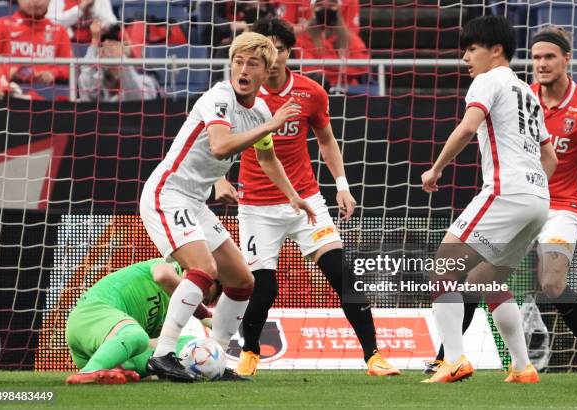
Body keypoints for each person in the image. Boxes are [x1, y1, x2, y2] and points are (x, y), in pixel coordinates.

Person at [213, 17, 399, 377]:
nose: (272, 57)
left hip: (306, 202)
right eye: (262, 51)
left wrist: (342, 186)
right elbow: (217, 142)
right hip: (256, 207)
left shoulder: (311, 92)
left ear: (286, 53)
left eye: (278, 50)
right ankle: (249, 353)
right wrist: (221, 179)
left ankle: (374, 356)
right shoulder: (237, 95)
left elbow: (327, 141)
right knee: (263, 289)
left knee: (342, 274)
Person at [139, 31, 317, 382]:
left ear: (267, 72)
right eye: (238, 61)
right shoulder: (219, 97)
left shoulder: (261, 109)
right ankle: (162, 355)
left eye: (252, 63)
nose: (243, 69)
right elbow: (220, 146)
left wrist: (292, 194)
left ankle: (214, 358)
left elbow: (267, 159)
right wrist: (271, 124)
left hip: (195, 201)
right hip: (167, 192)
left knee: (241, 279)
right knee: (203, 269)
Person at [424, 25, 577, 375]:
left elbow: (468, 127)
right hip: (538, 200)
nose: (465, 58)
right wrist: (533, 189)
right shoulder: (527, 93)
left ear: (496, 50)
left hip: (509, 193)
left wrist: (436, 169)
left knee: (442, 266)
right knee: (487, 280)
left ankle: (452, 361)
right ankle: (522, 366)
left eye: (471, 49)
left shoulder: (490, 80)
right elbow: (551, 159)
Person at [530, 26, 577, 367]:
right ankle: (445, 359)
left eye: (549, 56)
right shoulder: (523, 98)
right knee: (476, 276)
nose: (542, 63)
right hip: (522, 205)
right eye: (537, 57)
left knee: (553, 282)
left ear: (567, 59)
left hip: (563, 208)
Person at [65, 258, 215, 384]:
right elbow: (162, 275)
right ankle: (89, 371)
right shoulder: (169, 265)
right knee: (137, 336)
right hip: (89, 317)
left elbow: (149, 346)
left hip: (108, 353)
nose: (207, 296)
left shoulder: (171, 314)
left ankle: (116, 369)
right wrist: (202, 313)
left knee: (189, 345)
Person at [0, 0, 73, 98]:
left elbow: (68, 67)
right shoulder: (2, 25)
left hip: (46, 97)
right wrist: (7, 70)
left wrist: (53, 73)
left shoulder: (59, 31)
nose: (36, 2)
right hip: (7, 94)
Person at [294, 0, 368, 90]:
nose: (325, 9)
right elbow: (309, 70)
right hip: (315, 88)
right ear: (312, 9)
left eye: (331, 5)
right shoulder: (302, 38)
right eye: (320, 5)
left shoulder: (350, 38)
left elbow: (363, 66)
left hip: (348, 88)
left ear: (339, 9)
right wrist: (341, 64)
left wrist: (323, 62)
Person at [78, 22, 160, 102]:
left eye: (112, 51)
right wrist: (95, 41)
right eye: (105, 53)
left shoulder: (145, 82)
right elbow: (85, 82)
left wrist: (121, 59)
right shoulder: (99, 86)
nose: (109, 54)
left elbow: (135, 98)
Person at [47, 0, 117, 43]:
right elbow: (50, 22)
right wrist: (80, 9)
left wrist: (93, 9)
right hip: (69, 43)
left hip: (94, 43)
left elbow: (112, 22)